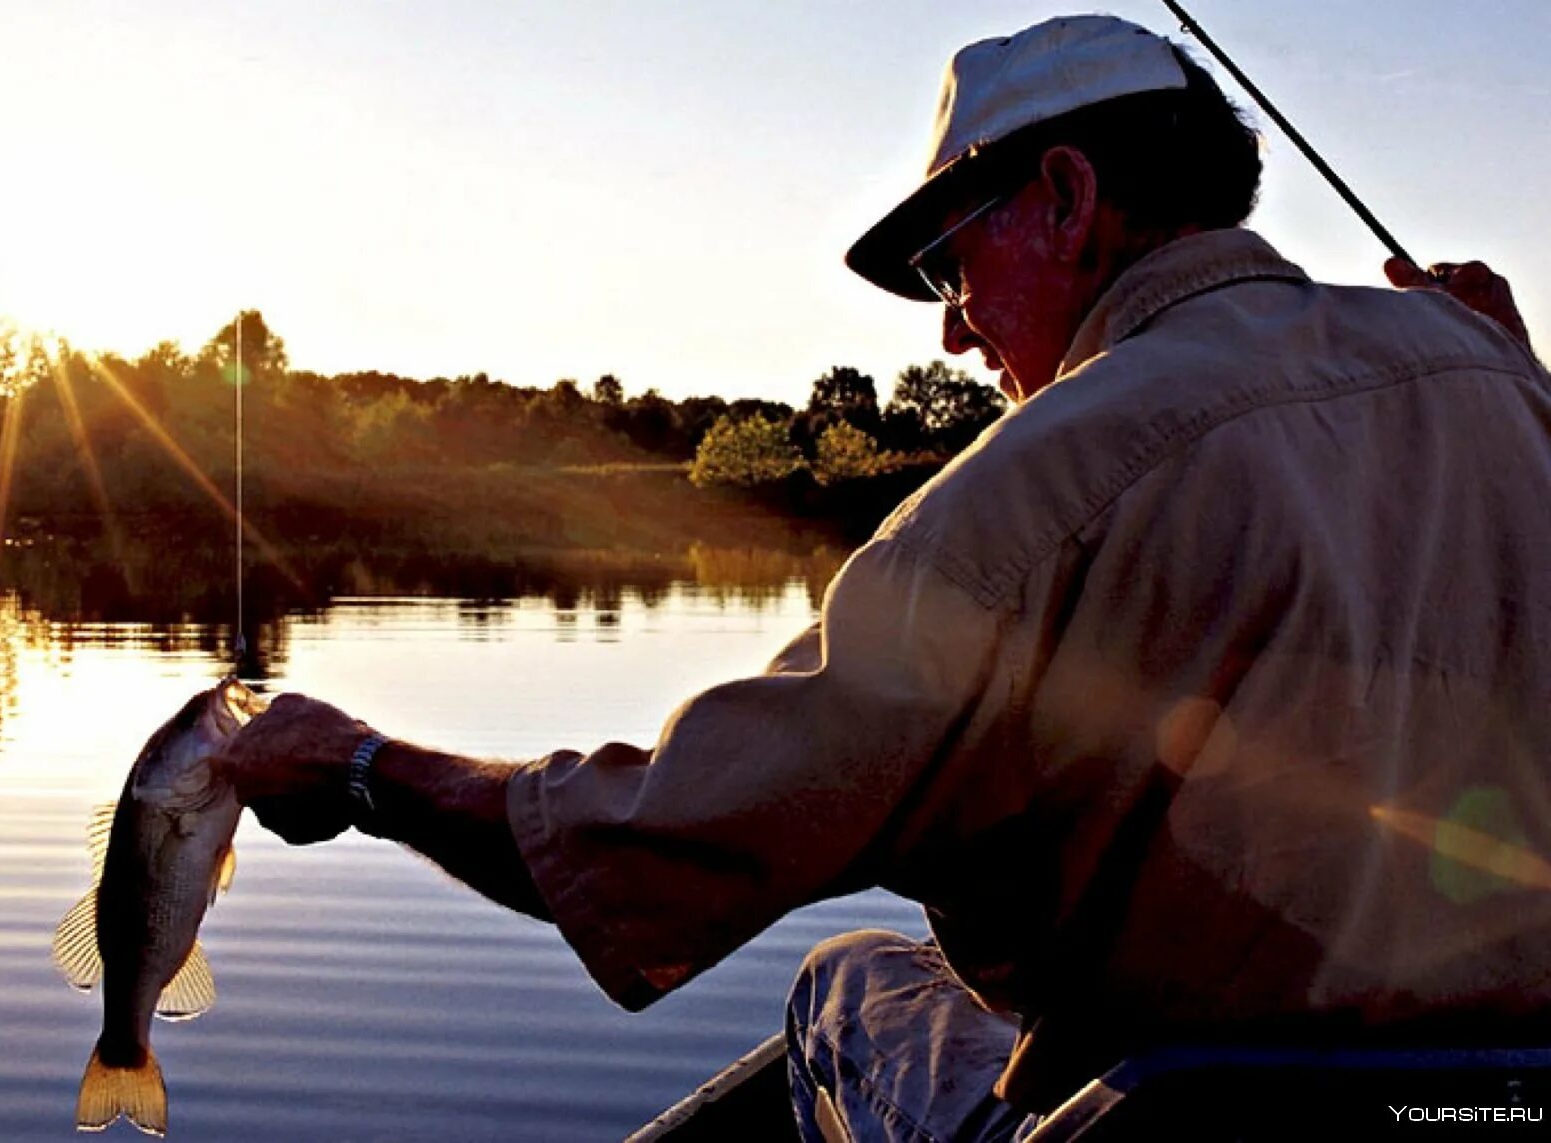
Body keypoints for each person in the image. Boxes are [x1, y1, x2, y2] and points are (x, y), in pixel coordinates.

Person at [218, 14, 1551, 1141]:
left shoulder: (1034, 486)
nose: (957, 330)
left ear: (1071, 199)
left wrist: (360, 771)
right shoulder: (1501, 380)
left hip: (1175, 1121)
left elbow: (662, 840)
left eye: (947, 264)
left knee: (847, 985)